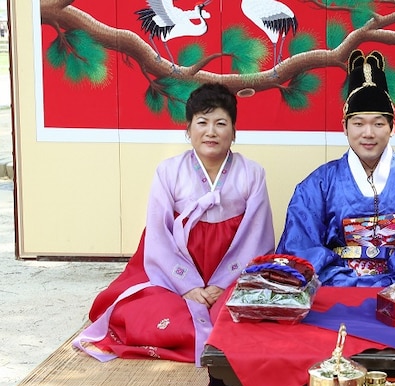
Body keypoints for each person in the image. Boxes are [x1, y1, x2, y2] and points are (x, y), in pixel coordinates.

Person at [73, 83, 275, 368]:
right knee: (153, 317)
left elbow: (257, 236)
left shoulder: (252, 173)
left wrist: (221, 284)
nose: (211, 131)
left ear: (234, 132)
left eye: (221, 123)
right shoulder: (168, 171)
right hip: (173, 272)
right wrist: (187, 286)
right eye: (202, 122)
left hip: (232, 274)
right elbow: (158, 235)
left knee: (244, 321)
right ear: (188, 130)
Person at [275, 49, 395, 286]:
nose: (368, 133)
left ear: (392, 127)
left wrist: (391, 285)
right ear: (344, 126)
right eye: (358, 123)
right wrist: (346, 283)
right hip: (335, 294)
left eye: (378, 123)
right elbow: (301, 247)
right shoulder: (318, 185)